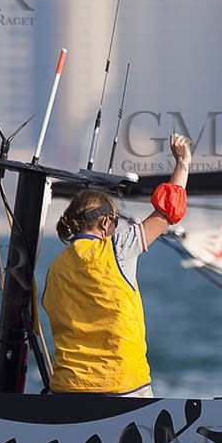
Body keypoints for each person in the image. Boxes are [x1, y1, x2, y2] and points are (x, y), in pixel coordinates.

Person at [41, 132, 191, 396]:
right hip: (122, 388)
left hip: (67, 390)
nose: (116, 228)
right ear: (104, 223)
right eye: (115, 222)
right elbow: (167, 211)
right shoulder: (117, 249)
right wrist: (182, 165)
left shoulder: (55, 268)